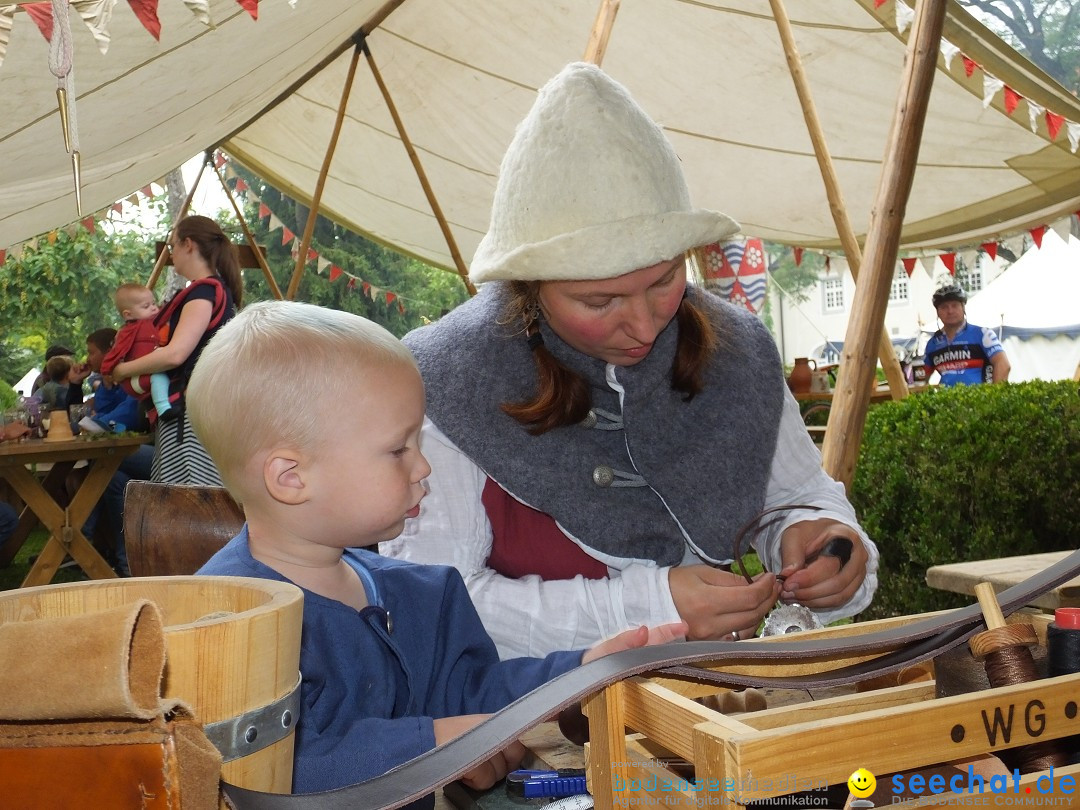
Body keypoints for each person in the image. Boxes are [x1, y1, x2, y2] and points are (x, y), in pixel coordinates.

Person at [385, 62, 879, 658]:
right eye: (600, 300)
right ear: (529, 283)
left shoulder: (736, 348)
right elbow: (434, 605)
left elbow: (800, 495)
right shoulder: (446, 379)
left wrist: (819, 539)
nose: (644, 325)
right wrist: (650, 607)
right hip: (536, 732)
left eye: (666, 280)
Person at [188, 301, 685, 796]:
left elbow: (468, 694)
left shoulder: (421, 596)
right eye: (399, 448)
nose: (423, 467)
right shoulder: (220, 624)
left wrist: (577, 672)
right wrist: (435, 743)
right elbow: (266, 767)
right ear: (291, 477)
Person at [110, 215, 242, 485]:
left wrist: (121, 369)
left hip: (188, 415)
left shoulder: (203, 292)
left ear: (189, 245)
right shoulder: (213, 290)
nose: (171, 254)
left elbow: (176, 353)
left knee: (188, 504)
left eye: (173, 246)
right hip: (197, 412)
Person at [80, 327, 154, 576]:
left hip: (166, 456)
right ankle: (127, 565)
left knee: (106, 459)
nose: (87, 358)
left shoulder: (139, 371)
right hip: (143, 452)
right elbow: (108, 410)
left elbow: (127, 416)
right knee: (112, 477)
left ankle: (79, 539)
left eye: (91, 352)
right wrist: (105, 384)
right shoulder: (117, 378)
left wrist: (88, 424)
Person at [100, 283, 174, 421]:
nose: (153, 308)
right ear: (128, 314)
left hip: (146, 372)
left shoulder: (154, 323)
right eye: (146, 306)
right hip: (136, 378)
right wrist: (108, 369)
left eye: (153, 303)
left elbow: (167, 312)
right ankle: (163, 409)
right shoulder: (126, 332)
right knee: (158, 377)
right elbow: (117, 352)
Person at [923, 283, 1011, 387]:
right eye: (944, 307)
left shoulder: (983, 334)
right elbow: (922, 377)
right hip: (946, 401)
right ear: (937, 312)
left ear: (963, 307)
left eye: (955, 305)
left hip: (979, 399)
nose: (950, 311)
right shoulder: (932, 343)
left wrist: (995, 395)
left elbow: (1003, 365)